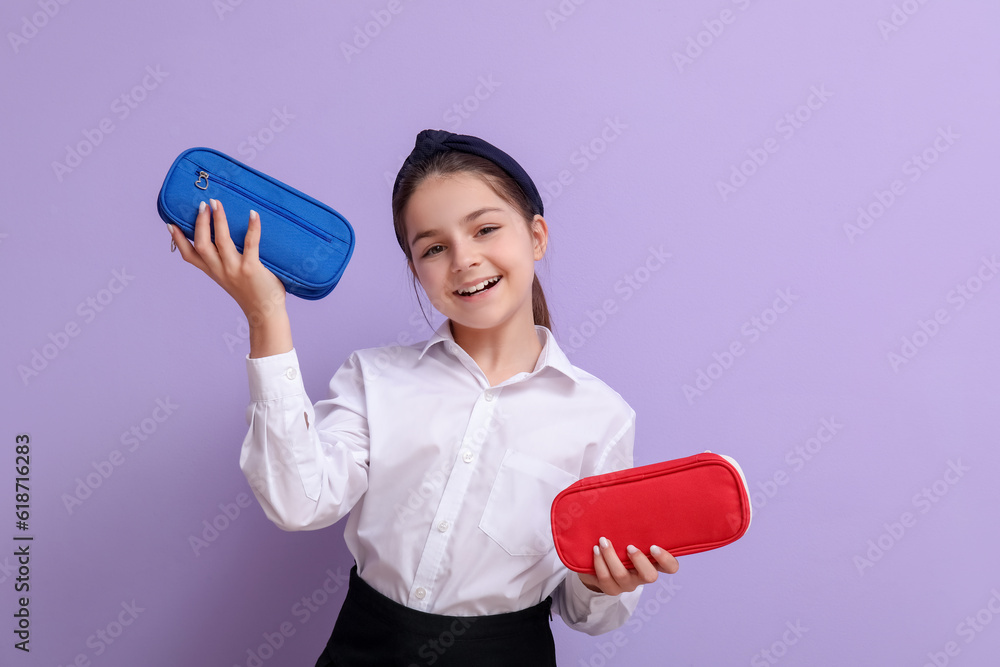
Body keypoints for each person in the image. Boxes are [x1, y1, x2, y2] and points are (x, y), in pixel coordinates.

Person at [166, 129, 679, 666]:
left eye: (485, 229)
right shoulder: (373, 378)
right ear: (416, 270)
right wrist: (265, 315)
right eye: (434, 247)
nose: (464, 259)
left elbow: (585, 614)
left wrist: (606, 584)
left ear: (537, 237)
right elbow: (298, 503)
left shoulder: (600, 417)